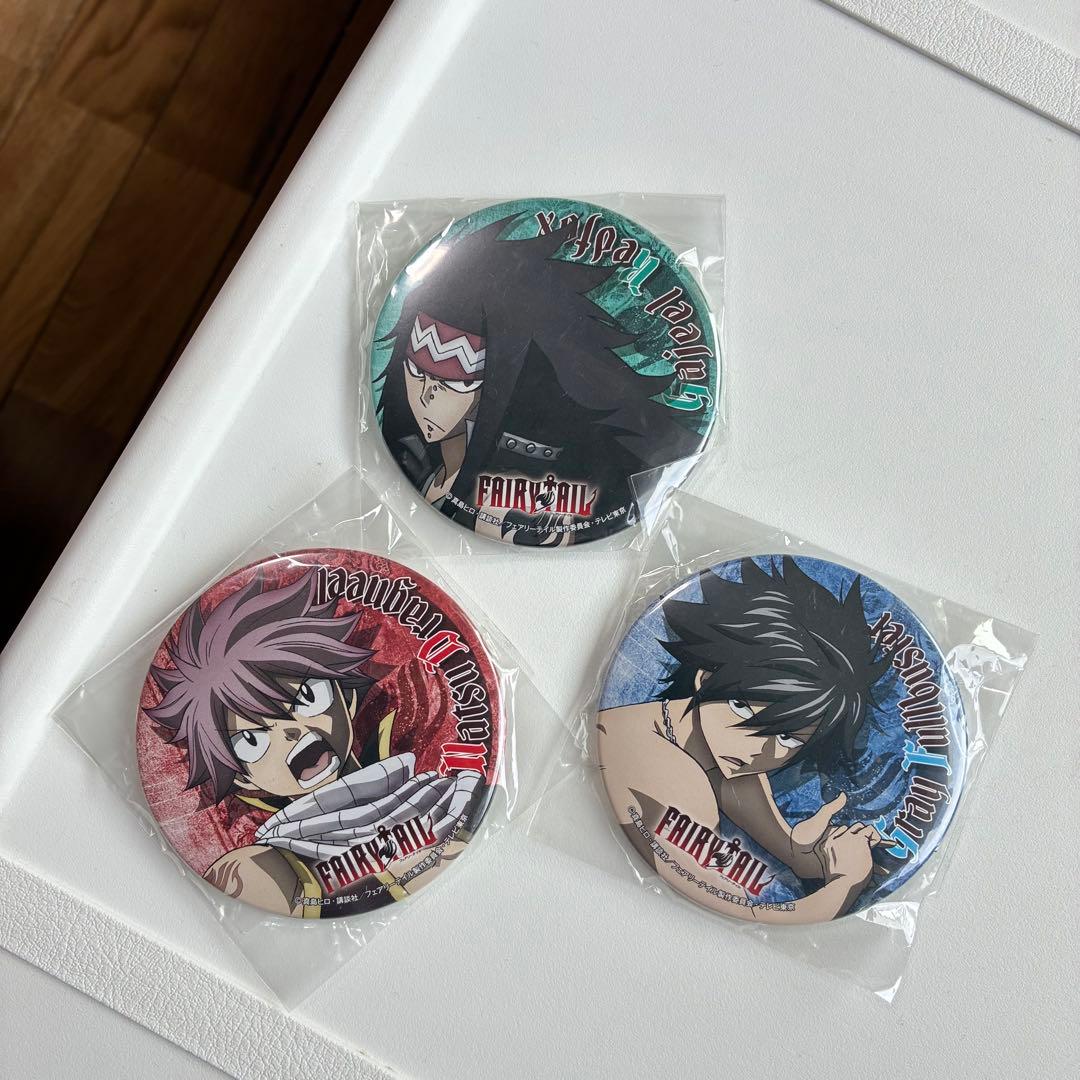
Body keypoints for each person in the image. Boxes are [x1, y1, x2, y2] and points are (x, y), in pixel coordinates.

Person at [146, 570, 478, 917]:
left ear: (346, 697)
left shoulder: (452, 796)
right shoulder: (261, 871)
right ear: (241, 776)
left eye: (307, 696)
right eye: (253, 739)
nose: (292, 733)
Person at [375, 216, 704, 544]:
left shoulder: (537, 477)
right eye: (416, 372)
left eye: (455, 382)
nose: (426, 397)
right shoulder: (418, 461)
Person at [598, 556, 893, 922]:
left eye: (786, 737)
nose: (755, 748)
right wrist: (846, 882)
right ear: (705, 678)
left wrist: (814, 852)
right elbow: (748, 911)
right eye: (741, 707)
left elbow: (796, 856)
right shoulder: (676, 775)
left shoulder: (726, 759)